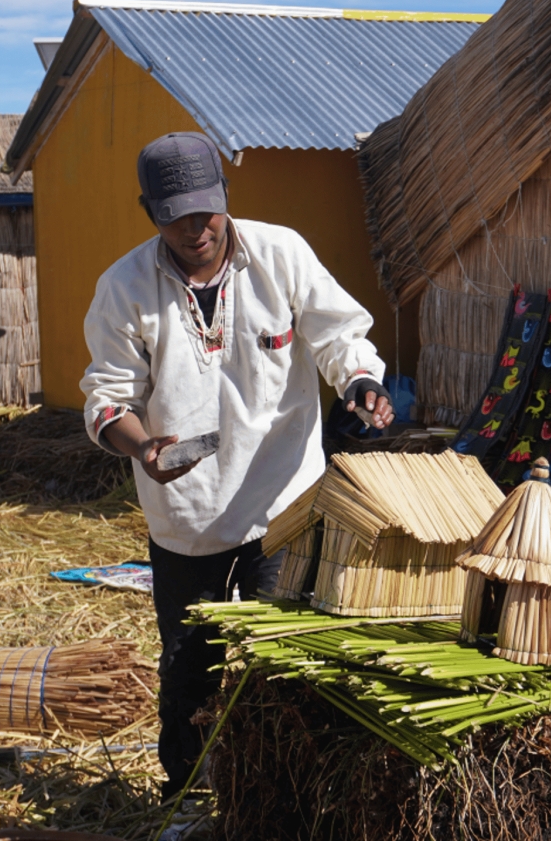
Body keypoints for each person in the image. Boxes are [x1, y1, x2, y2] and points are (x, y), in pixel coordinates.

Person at [81, 131, 394, 799]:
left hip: (284, 501)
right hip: (186, 515)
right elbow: (108, 397)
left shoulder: (280, 254)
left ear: (225, 197)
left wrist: (361, 381)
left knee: (282, 662)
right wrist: (143, 446)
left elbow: (339, 333)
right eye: (176, 216)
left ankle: (281, 796)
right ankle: (189, 791)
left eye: (206, 211)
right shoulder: (125, 288)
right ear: (149, 211)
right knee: (190, 667)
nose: (196, 229)